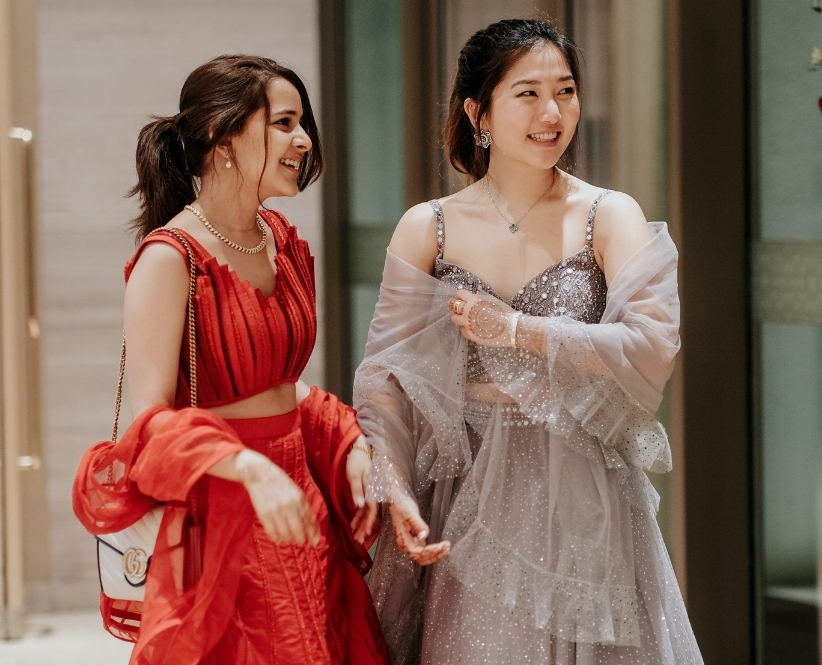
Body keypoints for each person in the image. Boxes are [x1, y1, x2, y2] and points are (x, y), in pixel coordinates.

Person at [356, 19, 704, 665]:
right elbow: (385, 377)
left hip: (586, 489)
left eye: (566, 91)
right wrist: (395, 484)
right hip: (464, 491)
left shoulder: (609, 214)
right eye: (528, 94)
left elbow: (652, 345)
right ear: (477, 111)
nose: (553, 113)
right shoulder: (428, 227)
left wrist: (517, 330)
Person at [72, 55, 389, 665]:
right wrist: (248, 468)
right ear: (223, 136)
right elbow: (150, 424)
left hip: (299, 507)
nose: (304, 140)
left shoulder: (281, 238)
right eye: (284, 123)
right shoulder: (170, 258)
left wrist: (349, 442)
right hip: (222, 521)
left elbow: (282, 388)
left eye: (302, 123)